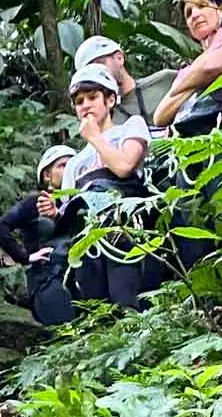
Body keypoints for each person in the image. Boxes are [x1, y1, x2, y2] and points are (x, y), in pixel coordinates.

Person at [57, 65, 153, 309]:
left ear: (110, 100)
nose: (86, 106)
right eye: (80, 102)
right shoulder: (74, 163)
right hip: (88, 240)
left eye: (92, 97)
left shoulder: (130, 127)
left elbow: (125, 167)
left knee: (126, 299)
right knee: (97, 307)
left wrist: (94, 138)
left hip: (124, 227)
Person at [0, 145, 78, 327]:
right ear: (47, 175)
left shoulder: (80, 202)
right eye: (63, 165)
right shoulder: (36, 202)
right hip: (48, 280)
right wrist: (25, 257)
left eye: (73, 164)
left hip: (80, 279)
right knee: (66, 331)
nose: (69, 168)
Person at [153, 0, 222, 134]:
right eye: (188, 13)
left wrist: (183, 88)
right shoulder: (187, 70)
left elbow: (212, 67)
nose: (195, 15)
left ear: (221, 9)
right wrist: (197, 79)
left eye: (202, 6)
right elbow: (160, 116)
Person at [73, 35, 174, 127]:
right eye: (91, 71)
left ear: (119, 58)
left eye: (100, 64)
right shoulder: (103, 115)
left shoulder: (166, 81)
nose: (99, 72)